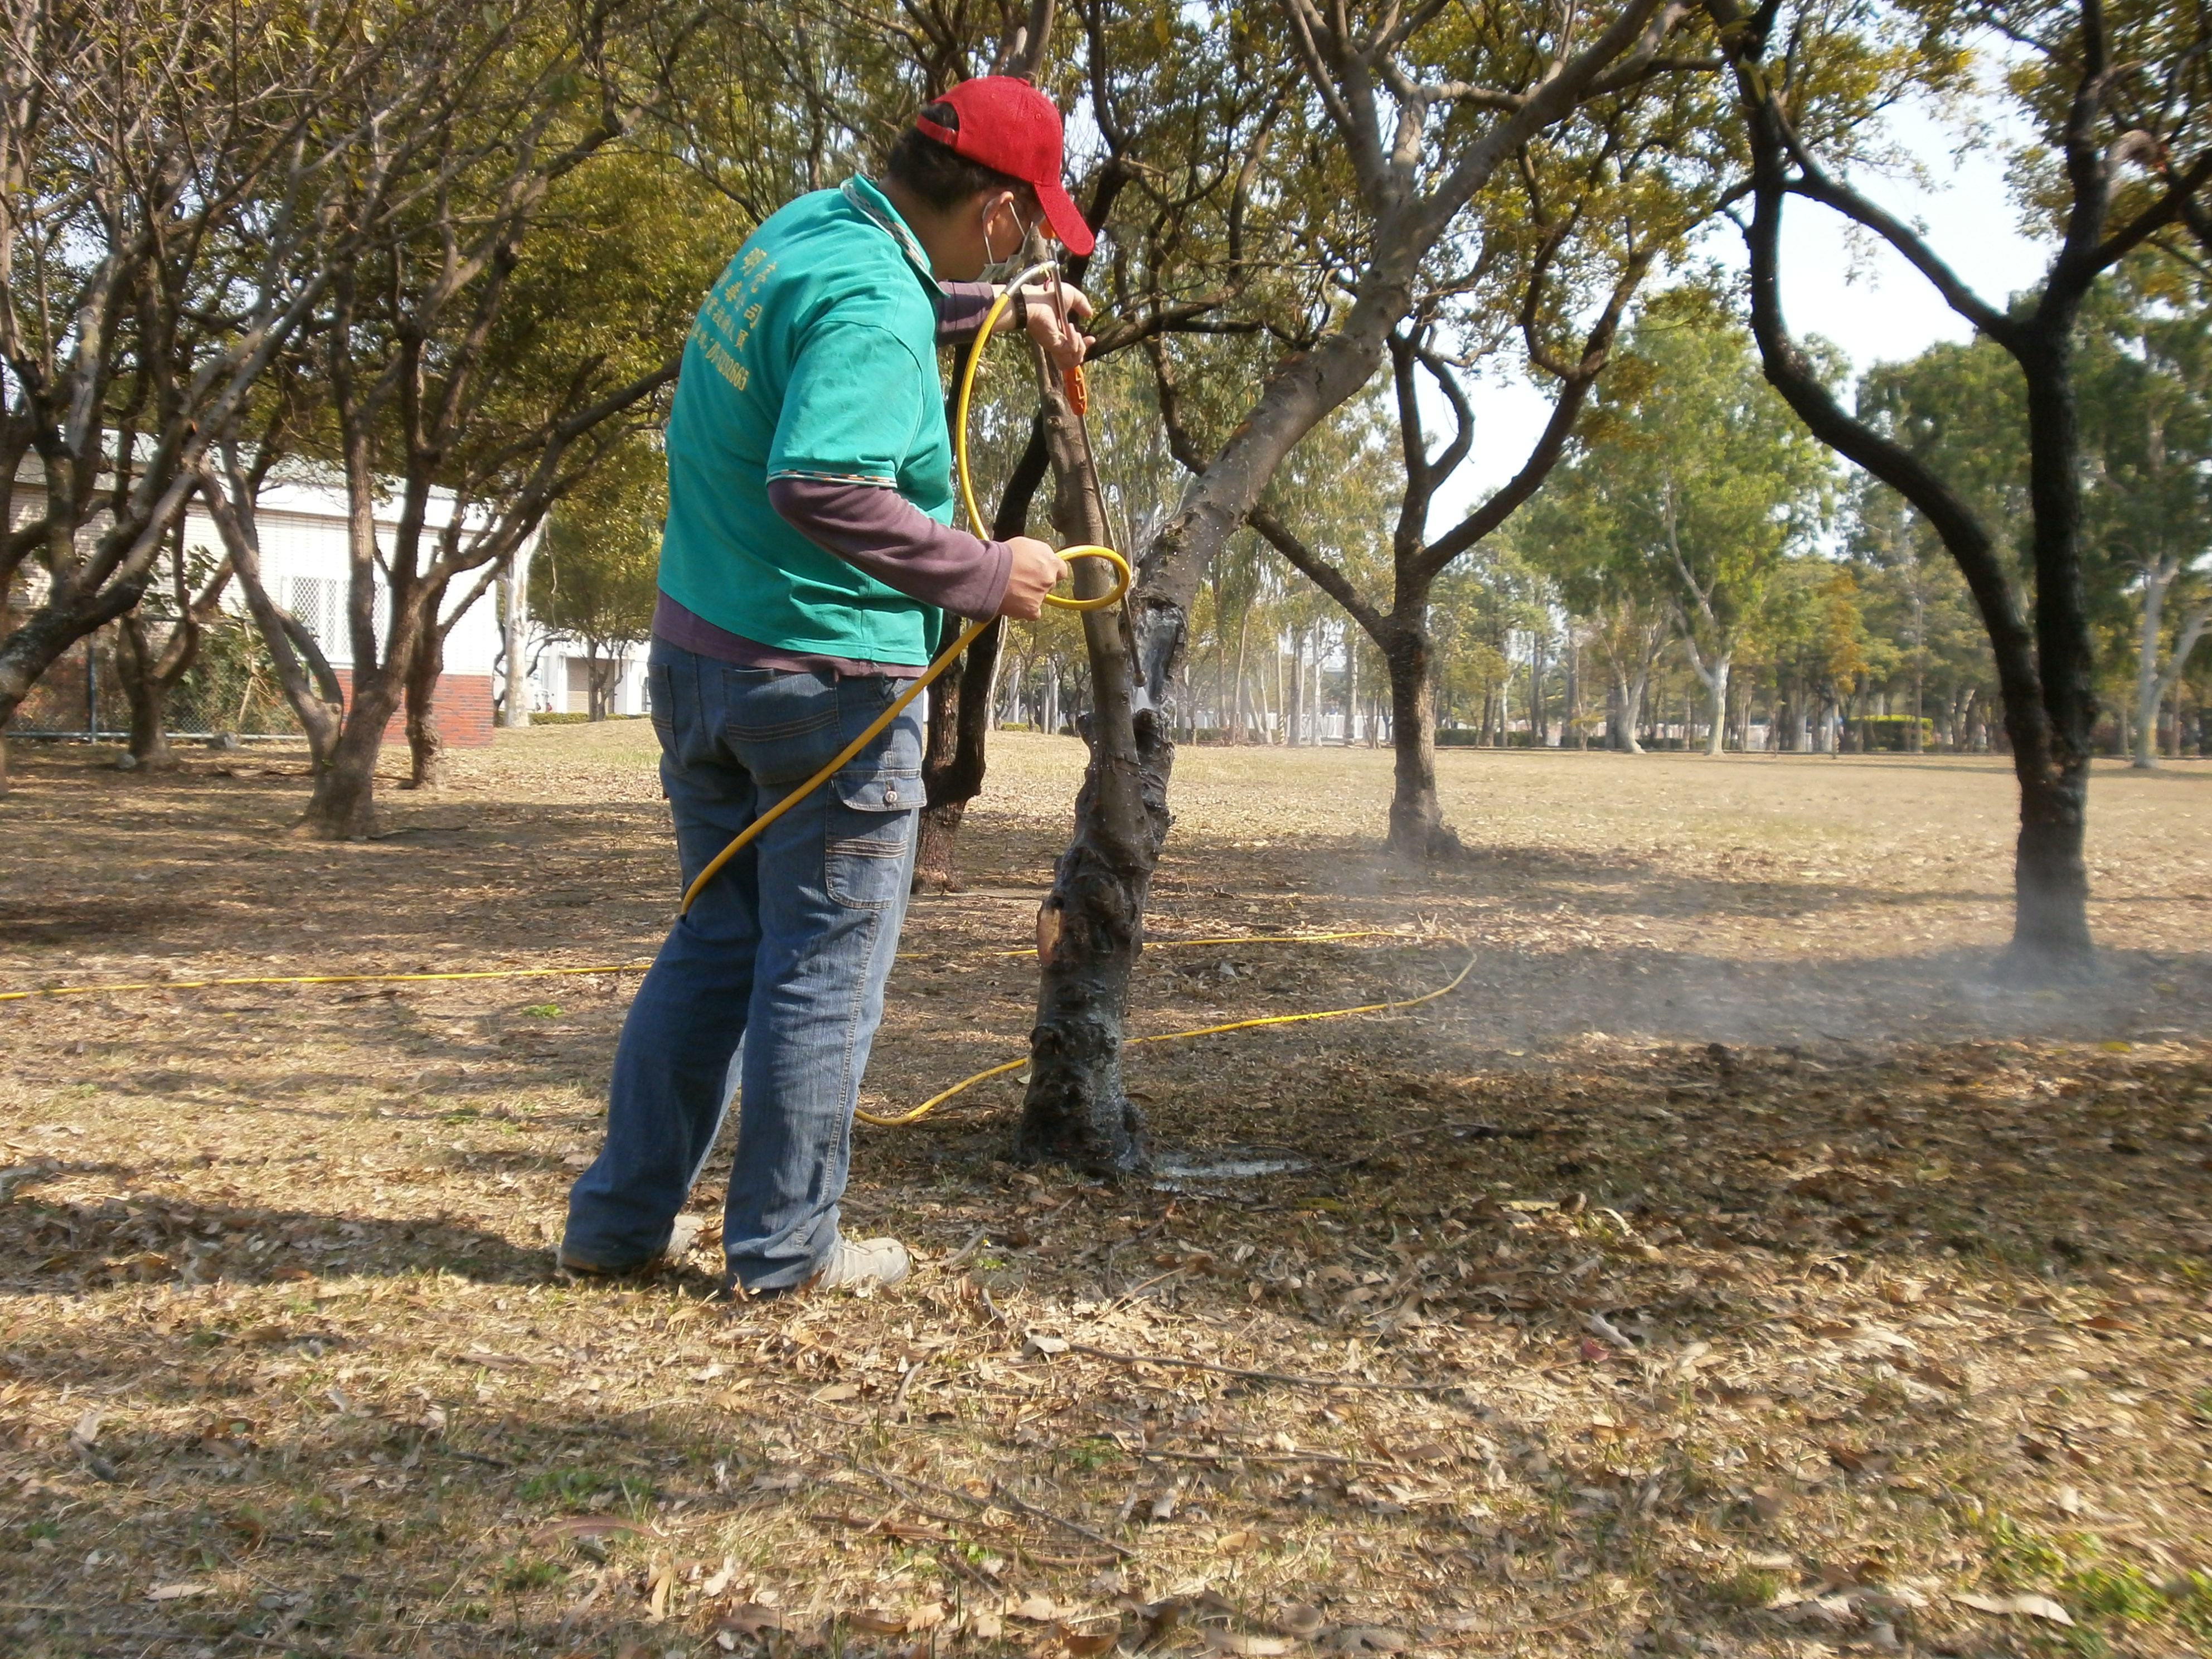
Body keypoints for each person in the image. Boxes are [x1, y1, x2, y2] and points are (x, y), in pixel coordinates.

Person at [558, 77, 1097, 1297]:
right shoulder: (873, 302)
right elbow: (822, 483)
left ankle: (617, 1225)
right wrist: (980, 569)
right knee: (820, 963)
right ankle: (787, 1252)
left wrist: (998, 312)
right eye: (1029, 233)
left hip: (706, 663)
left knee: (718, 939)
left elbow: (867, 320)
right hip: (818, 686)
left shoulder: (808, 231)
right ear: (1001, 212)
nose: (1027, 249)